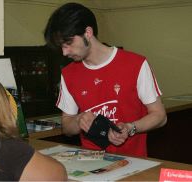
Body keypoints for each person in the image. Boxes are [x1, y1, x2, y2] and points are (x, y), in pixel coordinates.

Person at [44, 3, 167, 157]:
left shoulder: (135, 64)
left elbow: (160, 116)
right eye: (61, 46)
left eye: (68, 44)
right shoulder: (68, 74)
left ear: (88, 33)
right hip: (90, 165)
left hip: (134, 163)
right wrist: (78, 120)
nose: (64, 52)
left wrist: (130, 128)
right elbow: (67, 126)